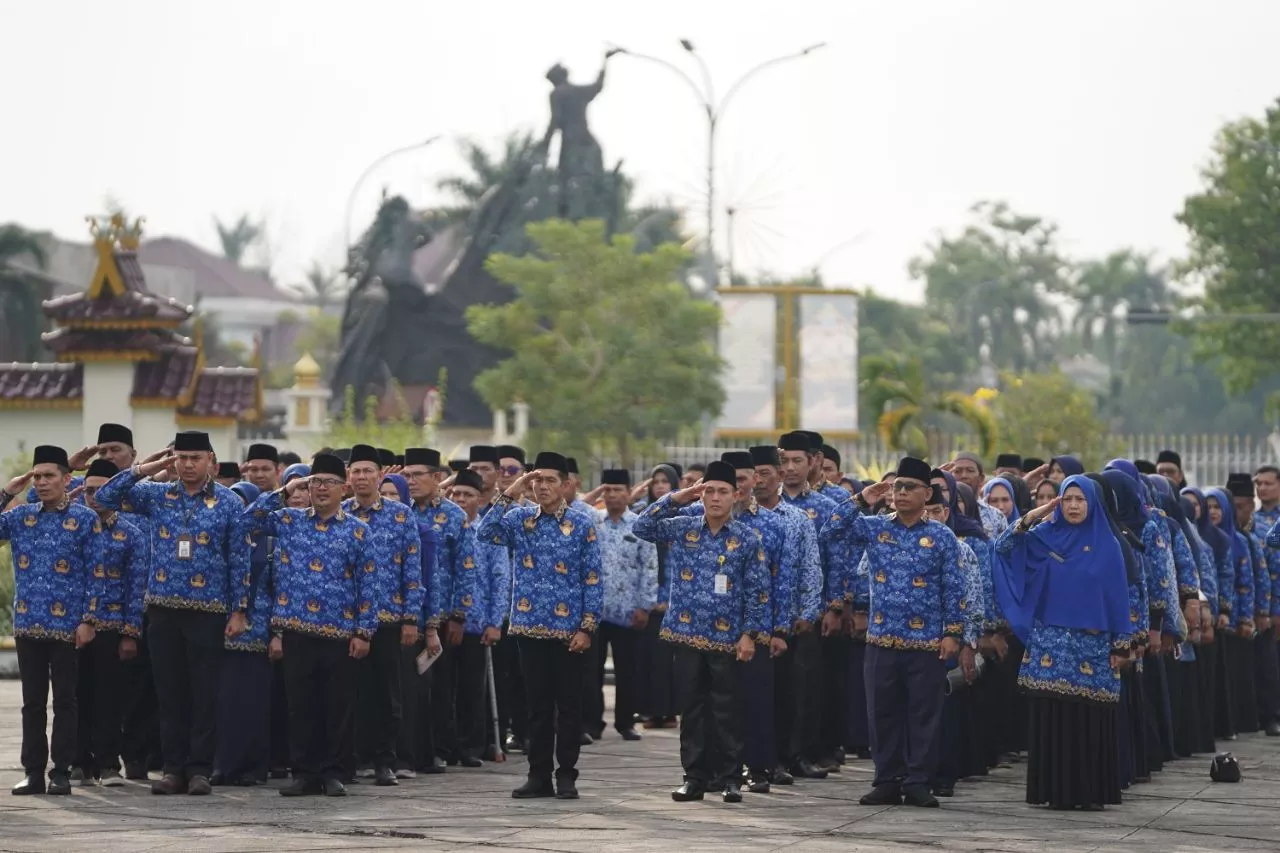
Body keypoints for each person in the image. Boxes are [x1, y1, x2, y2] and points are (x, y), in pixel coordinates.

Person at [93, 431, 252, 796]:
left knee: (203, 693)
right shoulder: (157, 494)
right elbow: (105, 496)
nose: (188, 464)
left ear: (210, 459)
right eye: (181, 457)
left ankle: (199, 770)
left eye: (195, 457)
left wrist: (239, 610)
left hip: (209, 610)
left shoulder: (227, 502)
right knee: (170, 694)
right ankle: (172, 768)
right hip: (163, 609)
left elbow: (239, 558)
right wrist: (146, 468)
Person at [820, 457, 965, 809]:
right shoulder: (874, 527)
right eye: (897, 486)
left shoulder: (941, 536)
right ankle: (886, 779)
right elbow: (829, 531)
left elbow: (955, 588)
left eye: (909, 487)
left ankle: (918, 781)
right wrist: (862, 499)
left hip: (927, 642)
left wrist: (953, 634)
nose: (900, 493)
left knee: (923, 716)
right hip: (881, 640)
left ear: (927, 493)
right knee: (881, 714)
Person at [633, 460, 770, 803]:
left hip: (727, 638)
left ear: (736, 496)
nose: (714, 498)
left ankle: (730, 778)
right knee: (692, 710)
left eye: (723, 491)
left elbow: (758, 591)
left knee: (726, 710)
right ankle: (694, 777)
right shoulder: (684, 527)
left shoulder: (747, 539)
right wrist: (679, 496)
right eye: (709, 490)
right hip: (686, 632)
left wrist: (749, 634)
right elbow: (643, 525)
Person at [991, 476, 1129, 810]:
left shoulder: (1108, 545)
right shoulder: (1045, 537)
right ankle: (1052, 789)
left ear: (1093, 504)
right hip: (1051, 647)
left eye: (1080, 499)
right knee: (1053, 717)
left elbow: (1119, 597)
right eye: (1067, 499)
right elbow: (1003, 547)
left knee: (1088, 719)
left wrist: (1122, 645)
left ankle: (1089, 792)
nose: (1073, 506)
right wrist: (1035, 514)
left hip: (1092, 651)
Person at [243, 454, 377, 797]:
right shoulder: (289, 519)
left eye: (328, 483)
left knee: (337, 706)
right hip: (296, 628)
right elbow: (248, 521)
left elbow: (369, 584)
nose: (320, 489)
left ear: (343, 488)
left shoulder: (358, 530)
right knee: (300, 706)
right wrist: (284, 489)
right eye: (314, 482)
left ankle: (335, 772)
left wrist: (364, 631)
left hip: (339, 630)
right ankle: (305, 772)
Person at [477, 452, 604, 800]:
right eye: (538, 480)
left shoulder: (581, 525)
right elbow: (485, 532)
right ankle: (538, 775)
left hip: (569, 633)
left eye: (550, 480)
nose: (543, 486)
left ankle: (566, 775)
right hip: (528, 629)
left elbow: (593, 580)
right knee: (537, 709)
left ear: (564, 485)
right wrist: (512, 489)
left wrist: (587, 628)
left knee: (568, 708)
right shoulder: (520, 520)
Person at [1, 446, 105, 796]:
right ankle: (33, 772)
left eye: (49, 476)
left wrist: (89, 619)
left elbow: (97, 572)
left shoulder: (85, 519)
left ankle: (61, 771)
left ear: (66, 479)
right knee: (32, 703)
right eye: (38, 476)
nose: (43, 482)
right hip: (28, 623)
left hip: (67, 626)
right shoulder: (20, 517)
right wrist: (7, 493)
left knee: (65, 701)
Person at [343, 444, 421, 786]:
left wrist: (410, 618)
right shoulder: (339, 513)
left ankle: (385, 760)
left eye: (367, 471)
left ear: (380, 476)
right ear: (348, 477)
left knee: (388, 693)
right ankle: (352, 758)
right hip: (345, 620)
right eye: (355, 471)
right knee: (350, 693)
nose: (361, 477)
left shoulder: (401, 515)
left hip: (389, 618)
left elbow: (412, 571)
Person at [74, 460, 145, 788]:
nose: (93, 497)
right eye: (88, 491)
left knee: (108, 698)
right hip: (71, 627)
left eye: (101, 491)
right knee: (74, 696)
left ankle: (107, 763)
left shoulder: (130, 533)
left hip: (112, 627)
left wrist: (130, 633)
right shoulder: (71, 526)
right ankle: (78, 762)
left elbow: (136, 587)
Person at [405, 446, 467, 774]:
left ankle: (439, 748)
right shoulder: (399, 511)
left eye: (418, 475)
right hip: (406, 614)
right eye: (407, 475)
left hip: (441, 614)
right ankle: (409, 750)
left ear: (437, 478)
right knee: (409, 687)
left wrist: (459, 615)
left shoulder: (454, 516)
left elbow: (465, 568)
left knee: (440, 686)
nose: (411, 481)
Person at [585, 469, 658, 743]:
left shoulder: (640, 526)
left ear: (630, 493)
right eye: (608, 490)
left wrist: (645, 606)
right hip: (595, 610)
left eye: (618, 490)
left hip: (629, 612)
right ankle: (592, 723)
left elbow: (650, 568)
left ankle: (625, 722)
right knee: (591, 671)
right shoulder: (593, 523)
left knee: (628, 670)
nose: (613, 495)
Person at [445, 470, 511, 764]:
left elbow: (501, 579)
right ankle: (445, 747)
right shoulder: (442, 527)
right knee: (445, 689)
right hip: (443, 622)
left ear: (480, 499)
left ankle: (471, 747)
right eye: (456, 494)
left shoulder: (489, 533)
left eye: (467, 495)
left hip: (477, 623)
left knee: (473, 689)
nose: (460, 499)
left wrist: (495, 622)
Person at [213, 481, 273, 787]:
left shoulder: (272, 541)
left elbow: (281, 589)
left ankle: (254, 766)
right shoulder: (220, 541)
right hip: (221, 633)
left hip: (260, 635)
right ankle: (223, 765)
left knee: (254, 704)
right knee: (222, 704)